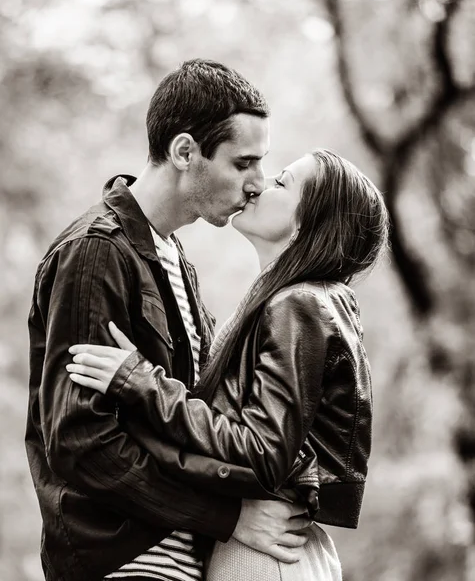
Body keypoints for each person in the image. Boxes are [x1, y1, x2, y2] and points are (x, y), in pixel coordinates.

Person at [26, 59, 313, 581]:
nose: (257, 183)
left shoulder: (175, 259)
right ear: (185, 152)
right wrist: (227, 518)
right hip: (124, 561)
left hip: (187, 558)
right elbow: (79, 443)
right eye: (243, 163)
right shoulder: (96, 252)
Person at [67, 148, 390, 580]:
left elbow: (261, 453)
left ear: (307, 224)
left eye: (282, 183)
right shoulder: (287, 305)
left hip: (265, 557)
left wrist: (141, 382)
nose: (258, 184)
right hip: (265, 550)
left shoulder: (299, 304)